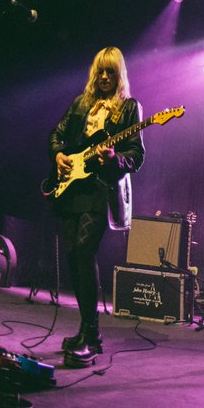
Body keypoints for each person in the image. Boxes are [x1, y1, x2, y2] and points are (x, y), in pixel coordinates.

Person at [49, 47, 144, 365]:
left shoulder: (129, 108)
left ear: (119, 76)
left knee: (83, 251)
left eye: (111, 72)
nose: (105, 77)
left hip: (101, 190)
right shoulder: (80, 103)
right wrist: (59, 155)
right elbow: (58, 135)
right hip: (74, 188)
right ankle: (87, 331)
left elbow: (137, 155)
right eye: (100, 72)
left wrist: (115, 158)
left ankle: (91, 335)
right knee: (74, 257)